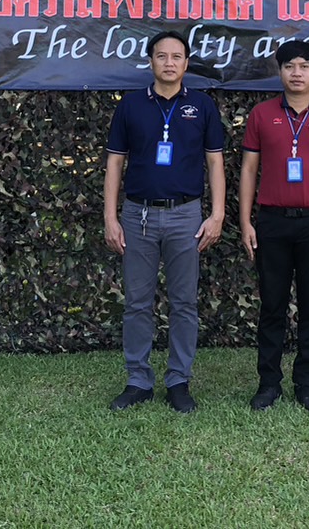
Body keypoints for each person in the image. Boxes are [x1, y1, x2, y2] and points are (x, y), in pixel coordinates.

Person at [103, 30, 227, 414]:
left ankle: (178, 380)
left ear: (186, 63)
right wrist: (110, 217)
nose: (169, 63)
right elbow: (115, 163)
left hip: (186, 215)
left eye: (176, 56)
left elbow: (215, 162)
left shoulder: (202, 106)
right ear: (151, 61)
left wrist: (217, 214)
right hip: (137, 214)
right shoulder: (130, 105)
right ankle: (138, 380)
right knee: (137, 303)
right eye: (161, 56)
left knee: (184, 303)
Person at [239, 39, 309, 412]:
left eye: (304, 66)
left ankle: (307, 384)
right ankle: (268, 383)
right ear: (280, 72)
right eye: (289, 66)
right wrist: (245, 221)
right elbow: (249, 170)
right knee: (272, 305)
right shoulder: (261, 114)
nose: (296, 73)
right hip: (272, 222)